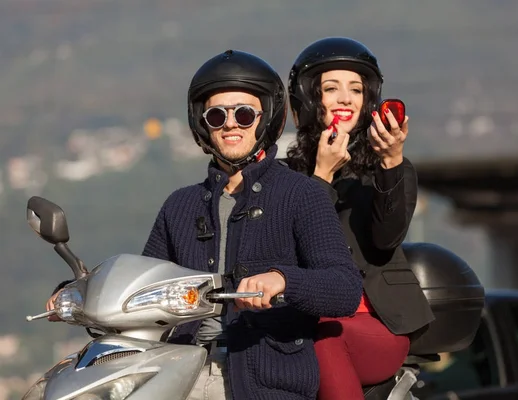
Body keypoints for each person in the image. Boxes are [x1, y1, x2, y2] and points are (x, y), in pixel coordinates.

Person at [47, 49, 363, 400]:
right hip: (176, 374)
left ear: (266, 118)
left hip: (266, 383)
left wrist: (284, 280)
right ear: (203, 123)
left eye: (244, 114)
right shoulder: (179, 206)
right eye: (216, 115)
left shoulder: (302, 194)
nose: (230, 124)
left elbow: (344, 289)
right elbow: (140, 289)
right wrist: (76, 293)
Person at [285, 37, 435, 399]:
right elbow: (289, 245)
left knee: (322, 336)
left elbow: (386, 239)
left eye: (356, 89)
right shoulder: (285, 176)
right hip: (300, 319)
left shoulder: (391, 171)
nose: (345, 98)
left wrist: (391, 164)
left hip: (374, 323)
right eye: (331, 88)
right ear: (309, 99)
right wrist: (321, 177)